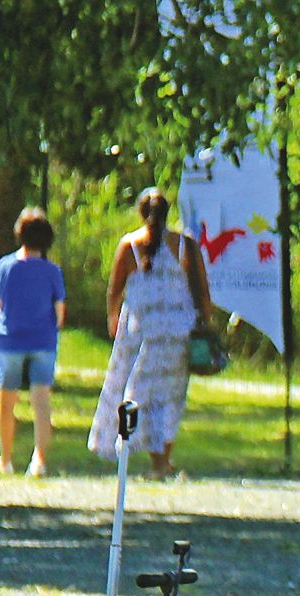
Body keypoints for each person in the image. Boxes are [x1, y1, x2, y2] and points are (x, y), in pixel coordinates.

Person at [89, 188, 210, 481]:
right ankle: (162, 460)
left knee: (136, 393)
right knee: (170, 397)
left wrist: (113, 318)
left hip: (141, 332)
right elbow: (202, 288)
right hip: (179, 333)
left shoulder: (130, 245)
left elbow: (115, 289)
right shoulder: (185, 245)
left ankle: (129, 451)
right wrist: (205, 322)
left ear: (140, 214)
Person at [0, 209, 66, 477]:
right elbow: (59, 313)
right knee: (41, 401)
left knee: (6, 399)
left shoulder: (5, 266)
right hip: (43, 341)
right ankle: (40, 461)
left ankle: (6, 459)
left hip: (10, 340)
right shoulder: (52, 271)